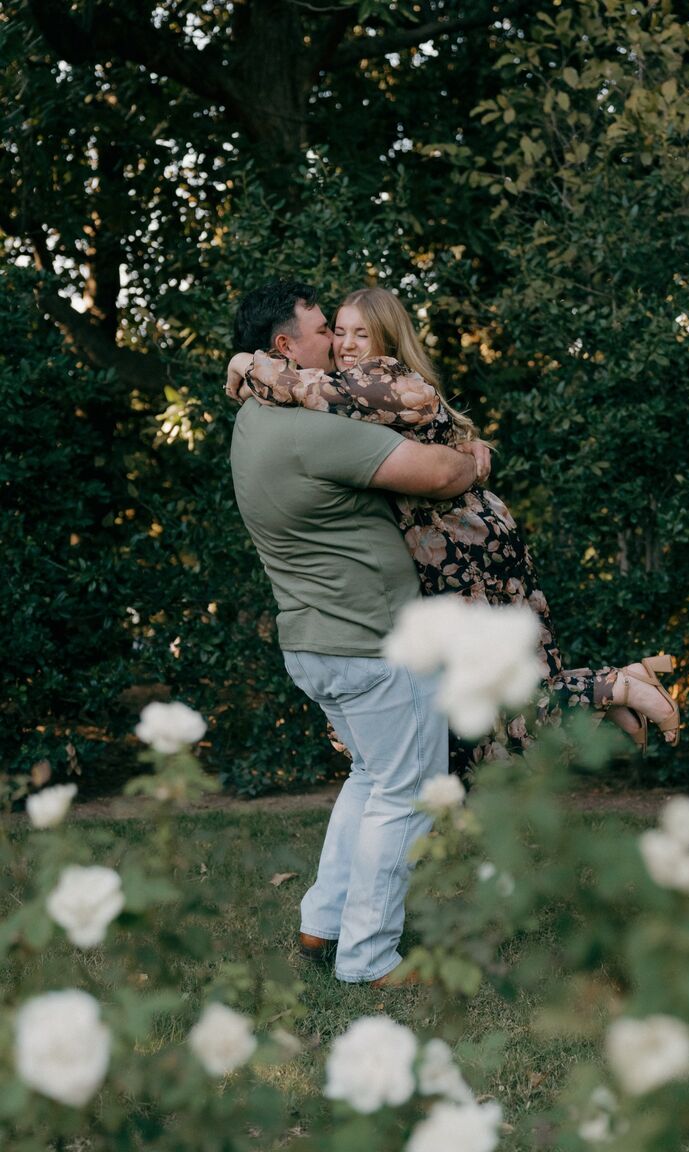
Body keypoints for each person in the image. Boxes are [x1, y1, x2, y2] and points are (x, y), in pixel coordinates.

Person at [227, 286, 680, 768]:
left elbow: (306, 387)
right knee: (475, 721)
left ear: (388, 339)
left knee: (505, 708)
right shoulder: (350, 399)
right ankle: (615, 694)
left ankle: (619, 686)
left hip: (466, 551)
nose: (346, 344)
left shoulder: (385, 377)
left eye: (363, 333)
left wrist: (246, 364)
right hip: (442, 555)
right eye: (338, 332)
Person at [228, 279, 491, 986]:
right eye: (322, 332)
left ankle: (323, 926)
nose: (337, 348)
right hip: (369, 643)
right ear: (285, 346)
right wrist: (476, 458)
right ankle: (369, 961)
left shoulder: (254, 417)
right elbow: (437, 471)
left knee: (371, 778)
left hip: (315, 641)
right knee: (408, 793)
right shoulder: (312, 430)